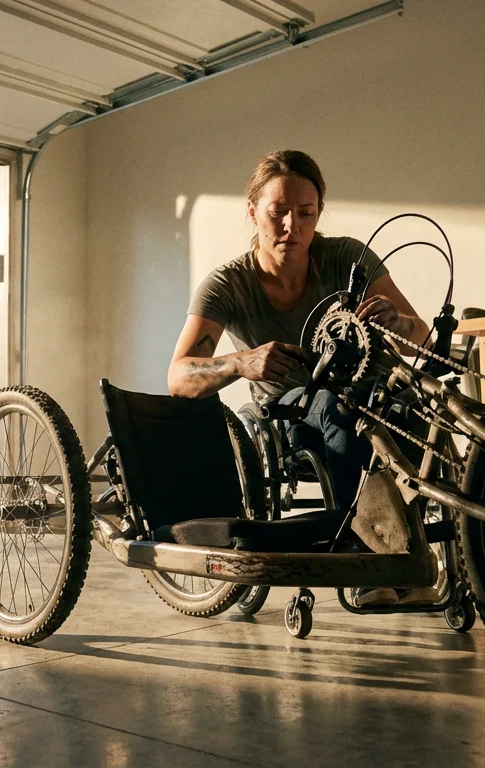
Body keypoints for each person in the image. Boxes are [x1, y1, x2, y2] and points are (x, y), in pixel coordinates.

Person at [167, 149, 431, 606]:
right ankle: (366, 561)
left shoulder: (347, 257)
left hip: (373, 393)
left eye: (305, 213)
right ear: (252, 212)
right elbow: (178, 375)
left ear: (318, 213)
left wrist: (396, 321)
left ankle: (426, 556)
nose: (293, 226)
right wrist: (238, 363)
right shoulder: (227, 285)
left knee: (425, 407)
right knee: (335, 408)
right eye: (278, 212)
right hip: (294, 411)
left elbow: (419, 333)